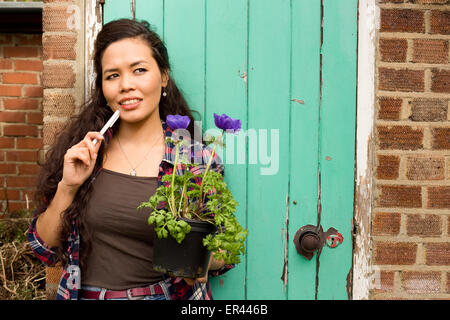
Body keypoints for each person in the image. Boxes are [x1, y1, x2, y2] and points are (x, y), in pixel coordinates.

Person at [27, 18, 232, 300]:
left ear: (163, 77)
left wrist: (202, 261)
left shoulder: (196, 159)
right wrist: (68, 186)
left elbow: (224, 249)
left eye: (139, 70)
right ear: (102, 86)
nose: (126, 85)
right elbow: (44, 249)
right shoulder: (87, 154)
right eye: (113, 75)